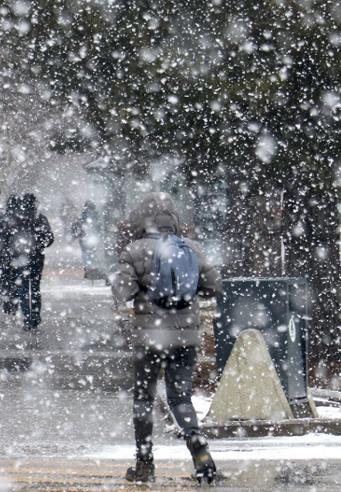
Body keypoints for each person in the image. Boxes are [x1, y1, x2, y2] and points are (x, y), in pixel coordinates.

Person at [111, 192, 221, 484]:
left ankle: (144, 464)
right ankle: (198, 445)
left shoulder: (134, 250)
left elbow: (122, 292)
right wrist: (185, 295)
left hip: (150, 338)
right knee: (180, 397)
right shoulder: (192, 249)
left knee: (144, 400)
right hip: (186, 337)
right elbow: (213, 285)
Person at [11, 193, 53, 331]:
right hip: (36, 258)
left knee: (23, 288)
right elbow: (49, 238)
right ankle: (35, 316)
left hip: (21, 258)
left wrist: (15, 250)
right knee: (35, 287)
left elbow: (8, 239)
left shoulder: (16, 219)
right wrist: (39, 245)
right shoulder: (39, 218)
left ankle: (27, 318)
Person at [0, 195, 22, 315]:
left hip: (3, 255)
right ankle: (14, 302)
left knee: (4, 279)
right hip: (16, 255)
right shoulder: (20, 218)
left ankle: (6, 302)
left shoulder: (1, 218)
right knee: (15, 279)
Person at [71, 200, 101, 277]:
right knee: (92, 252)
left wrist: (75, 234)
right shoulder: (96, 214)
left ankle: (87, 268)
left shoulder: (83, 214)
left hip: (83, 236)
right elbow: (98, 226)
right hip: (92, 236)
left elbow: (76, 224)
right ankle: (93, 268)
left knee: (85, 252)